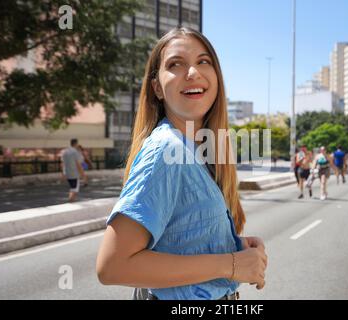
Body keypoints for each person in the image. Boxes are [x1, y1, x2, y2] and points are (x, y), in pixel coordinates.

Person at [96, 27, 267, 300]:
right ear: (157, 88)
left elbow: (180, 236)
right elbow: (113, 266)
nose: (192, 72)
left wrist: (230, 246)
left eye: (203, 61)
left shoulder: (199, 148)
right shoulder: (166, 151)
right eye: (176, 64)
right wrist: (231, 264)